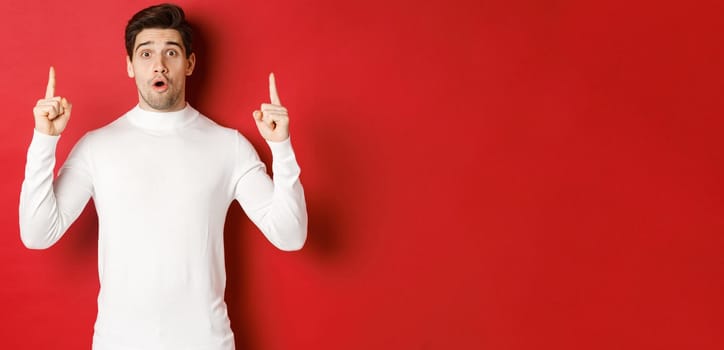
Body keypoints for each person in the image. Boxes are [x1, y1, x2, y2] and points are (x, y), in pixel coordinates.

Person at [19, 3, 307, 349]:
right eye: (145, 53)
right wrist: (44, 139)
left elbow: (290, 236)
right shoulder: (97, 147)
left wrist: (282, 148)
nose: (159, 64)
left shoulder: (228, 146)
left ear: (189, 64)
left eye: (171, 52)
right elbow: (37, 234)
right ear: (130, 66)